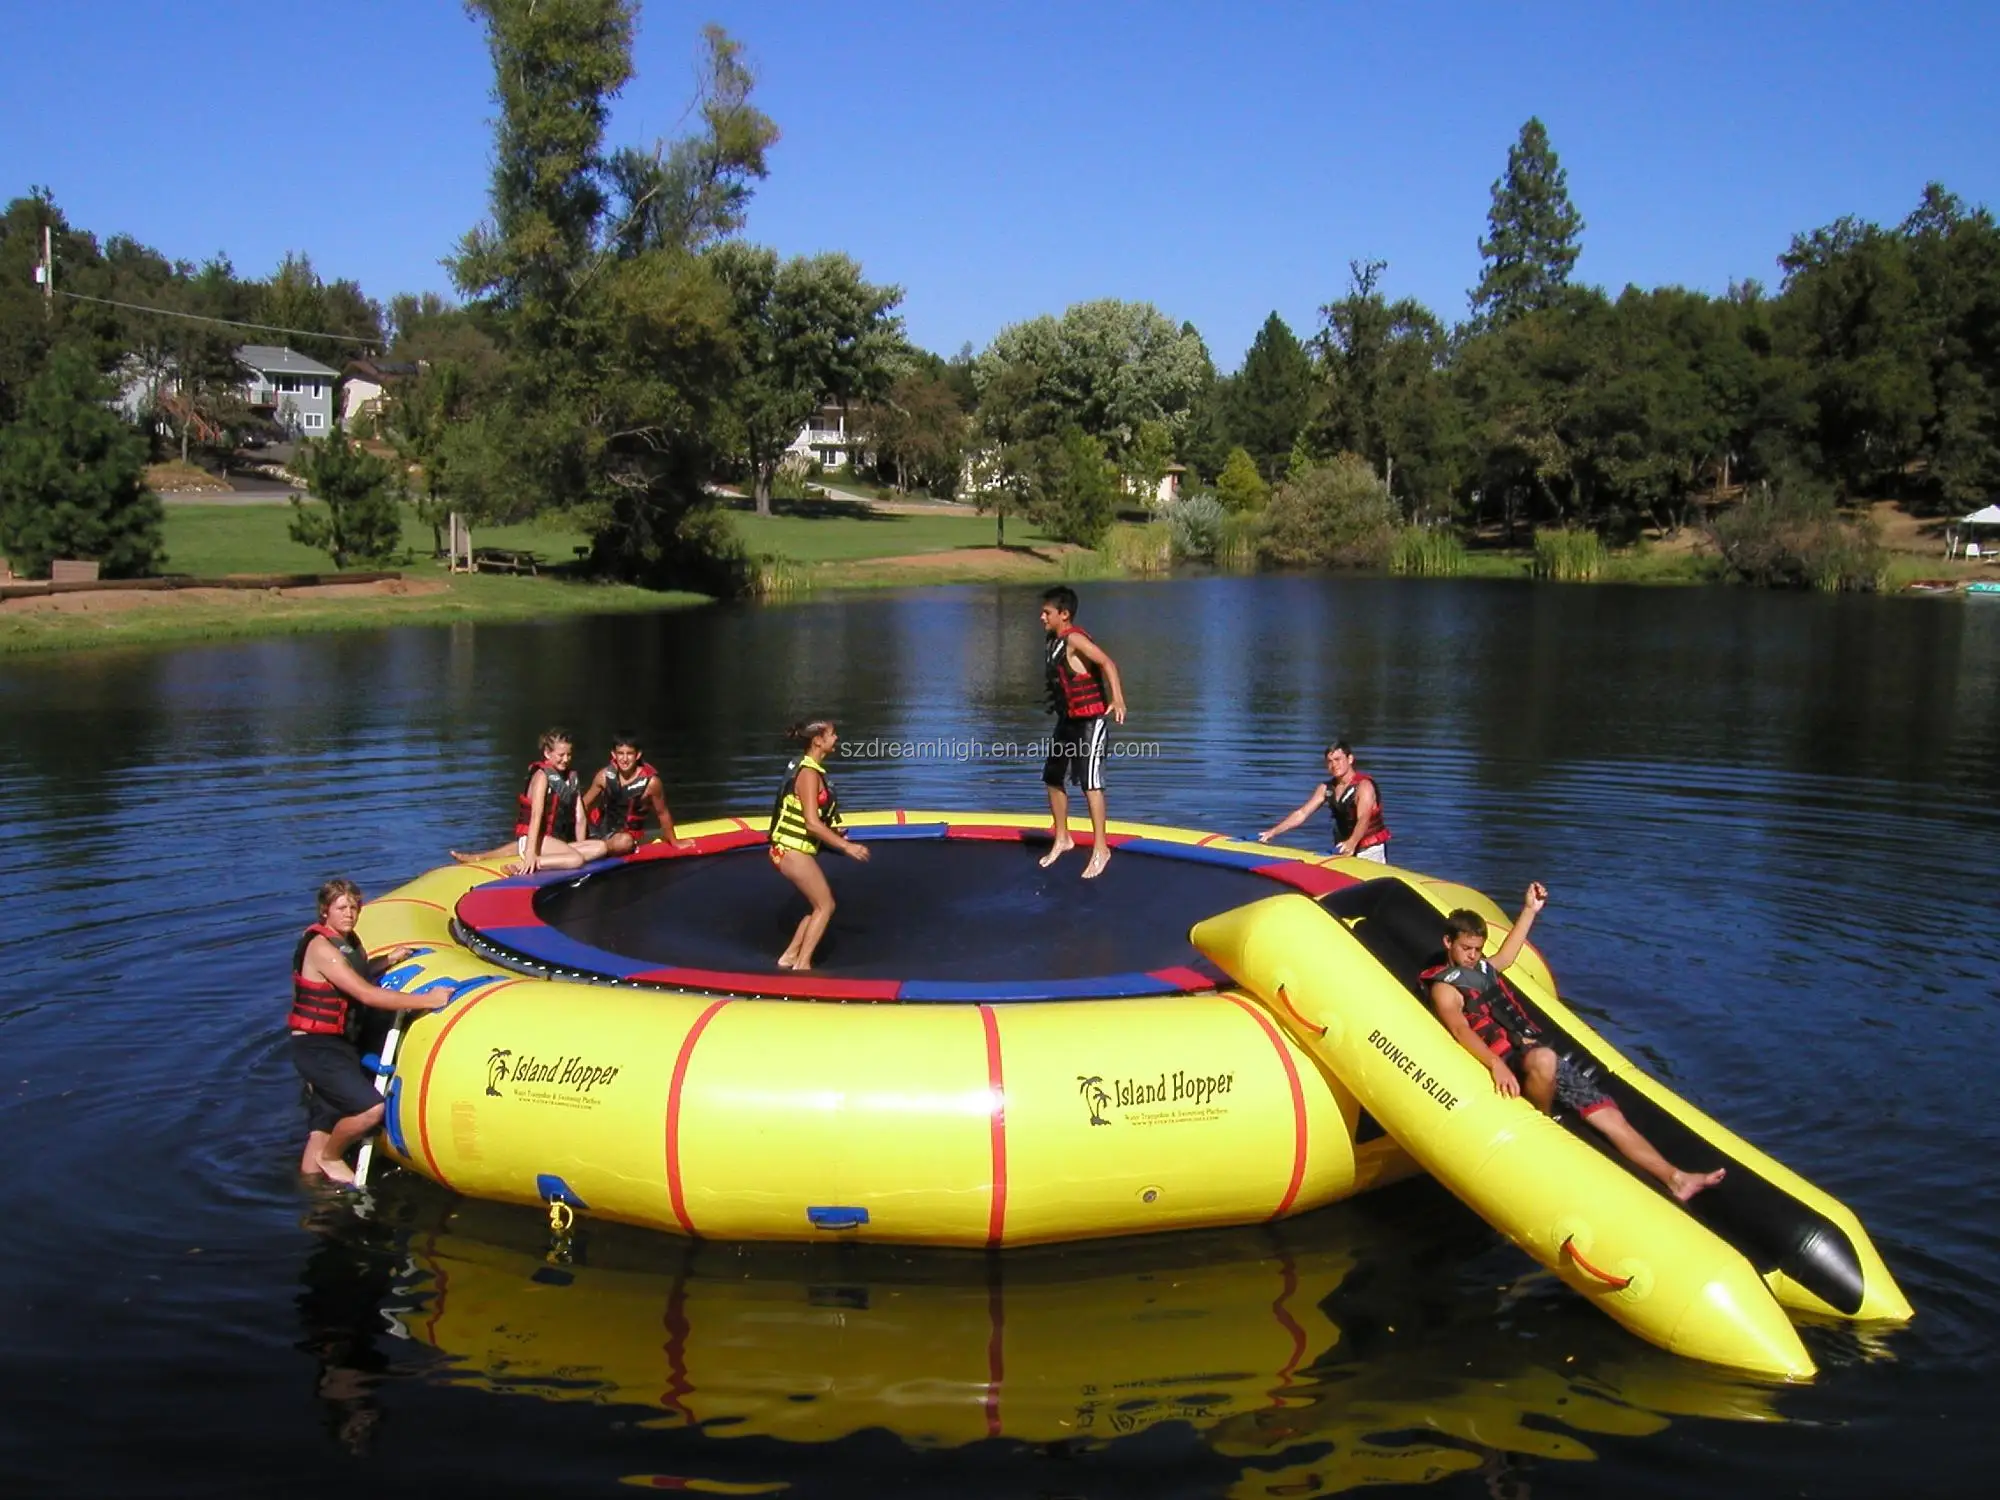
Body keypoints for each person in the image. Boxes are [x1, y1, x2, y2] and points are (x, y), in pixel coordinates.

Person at [1423, 883, 1725, 1203]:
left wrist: (1529, 910)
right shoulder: (1445, 987)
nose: (1473, 956)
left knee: (1611, 1117)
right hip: (1511, 1058)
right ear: (1448, 942)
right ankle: (1543, 1125)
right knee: (1544, 1059)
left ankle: (1676, 1178)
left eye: (1478, 949)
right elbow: (1460, 1028)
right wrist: (1495, 1064)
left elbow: (1508, 955)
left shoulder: (1483, 968)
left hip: (1537, 1052)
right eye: (1466, 948)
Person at [288, 879, 450, 1187]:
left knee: (322, 1126)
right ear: (325, 911)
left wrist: (387, 960)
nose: (349, 914)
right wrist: (429, 1000)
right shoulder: (323, 949)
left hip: (335, 1044)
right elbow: (366, 995)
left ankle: (310, 1193)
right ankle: (332, 1157)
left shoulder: (345, 941)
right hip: (317, 1047)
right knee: (370, 1109)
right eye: (341, 908)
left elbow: (355, 972)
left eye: (354, 907)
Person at [1037, 586, 1128, 880]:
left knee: (1090, 783)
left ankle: (1101, 849)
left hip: (1091, 722)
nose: (1041, 617)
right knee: (1052, 777)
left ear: (1064, 615)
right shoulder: (1054, 642)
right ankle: (1062, 838)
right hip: (1068, 720)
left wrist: (1118, 698)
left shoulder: (1074, 638)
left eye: (1047, 613)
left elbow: (1107, 663)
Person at [767, 718, 870, 971]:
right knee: (826, 906)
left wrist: (834, 831)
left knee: (817, 906)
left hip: (793, 848)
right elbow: (812, 824)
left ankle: (790, 956)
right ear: (818, 740)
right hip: (790, 849)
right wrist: (846, 847)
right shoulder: (809, 773)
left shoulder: (811, 770)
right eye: (833, 735)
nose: (836, 739)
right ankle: (803, 964)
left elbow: (812, 818)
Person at [451, 728, 619, 875]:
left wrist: (581, 845)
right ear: (547, 753)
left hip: (554, 842)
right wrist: (530, 855)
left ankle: (553, 856)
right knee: (575, 859)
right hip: (536, 839)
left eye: (569, 754)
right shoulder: (542, 777)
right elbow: (536, 815)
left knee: (601, 848)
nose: (565, 759)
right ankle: (529, 864)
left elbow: (580, 819)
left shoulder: (571, 778)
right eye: (561, 755)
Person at [1258, 739, 1392, 861]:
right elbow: (1302, 813)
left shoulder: (1364, 786)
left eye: (1338, 759)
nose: (1334, 765)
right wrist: (1273, 832)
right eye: (1330, 761)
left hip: (1368, 849)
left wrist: (1352, 842)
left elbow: (1364, 818)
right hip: (1342, 846)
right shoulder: (1326, 788)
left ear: (1350, 759)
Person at [581, 732, 694, 855]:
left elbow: (662, 813)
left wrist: (675, 842)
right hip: (599, 831)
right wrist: (579, 834)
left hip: (626, 838)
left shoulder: (651, 783)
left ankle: (594, 849)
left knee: (624, 842)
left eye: (629, 754)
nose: (624, 759)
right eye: (620, 753)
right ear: (613, 754)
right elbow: (583, 805)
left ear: (638, 755)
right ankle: (590, 847)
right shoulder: (603, 776)